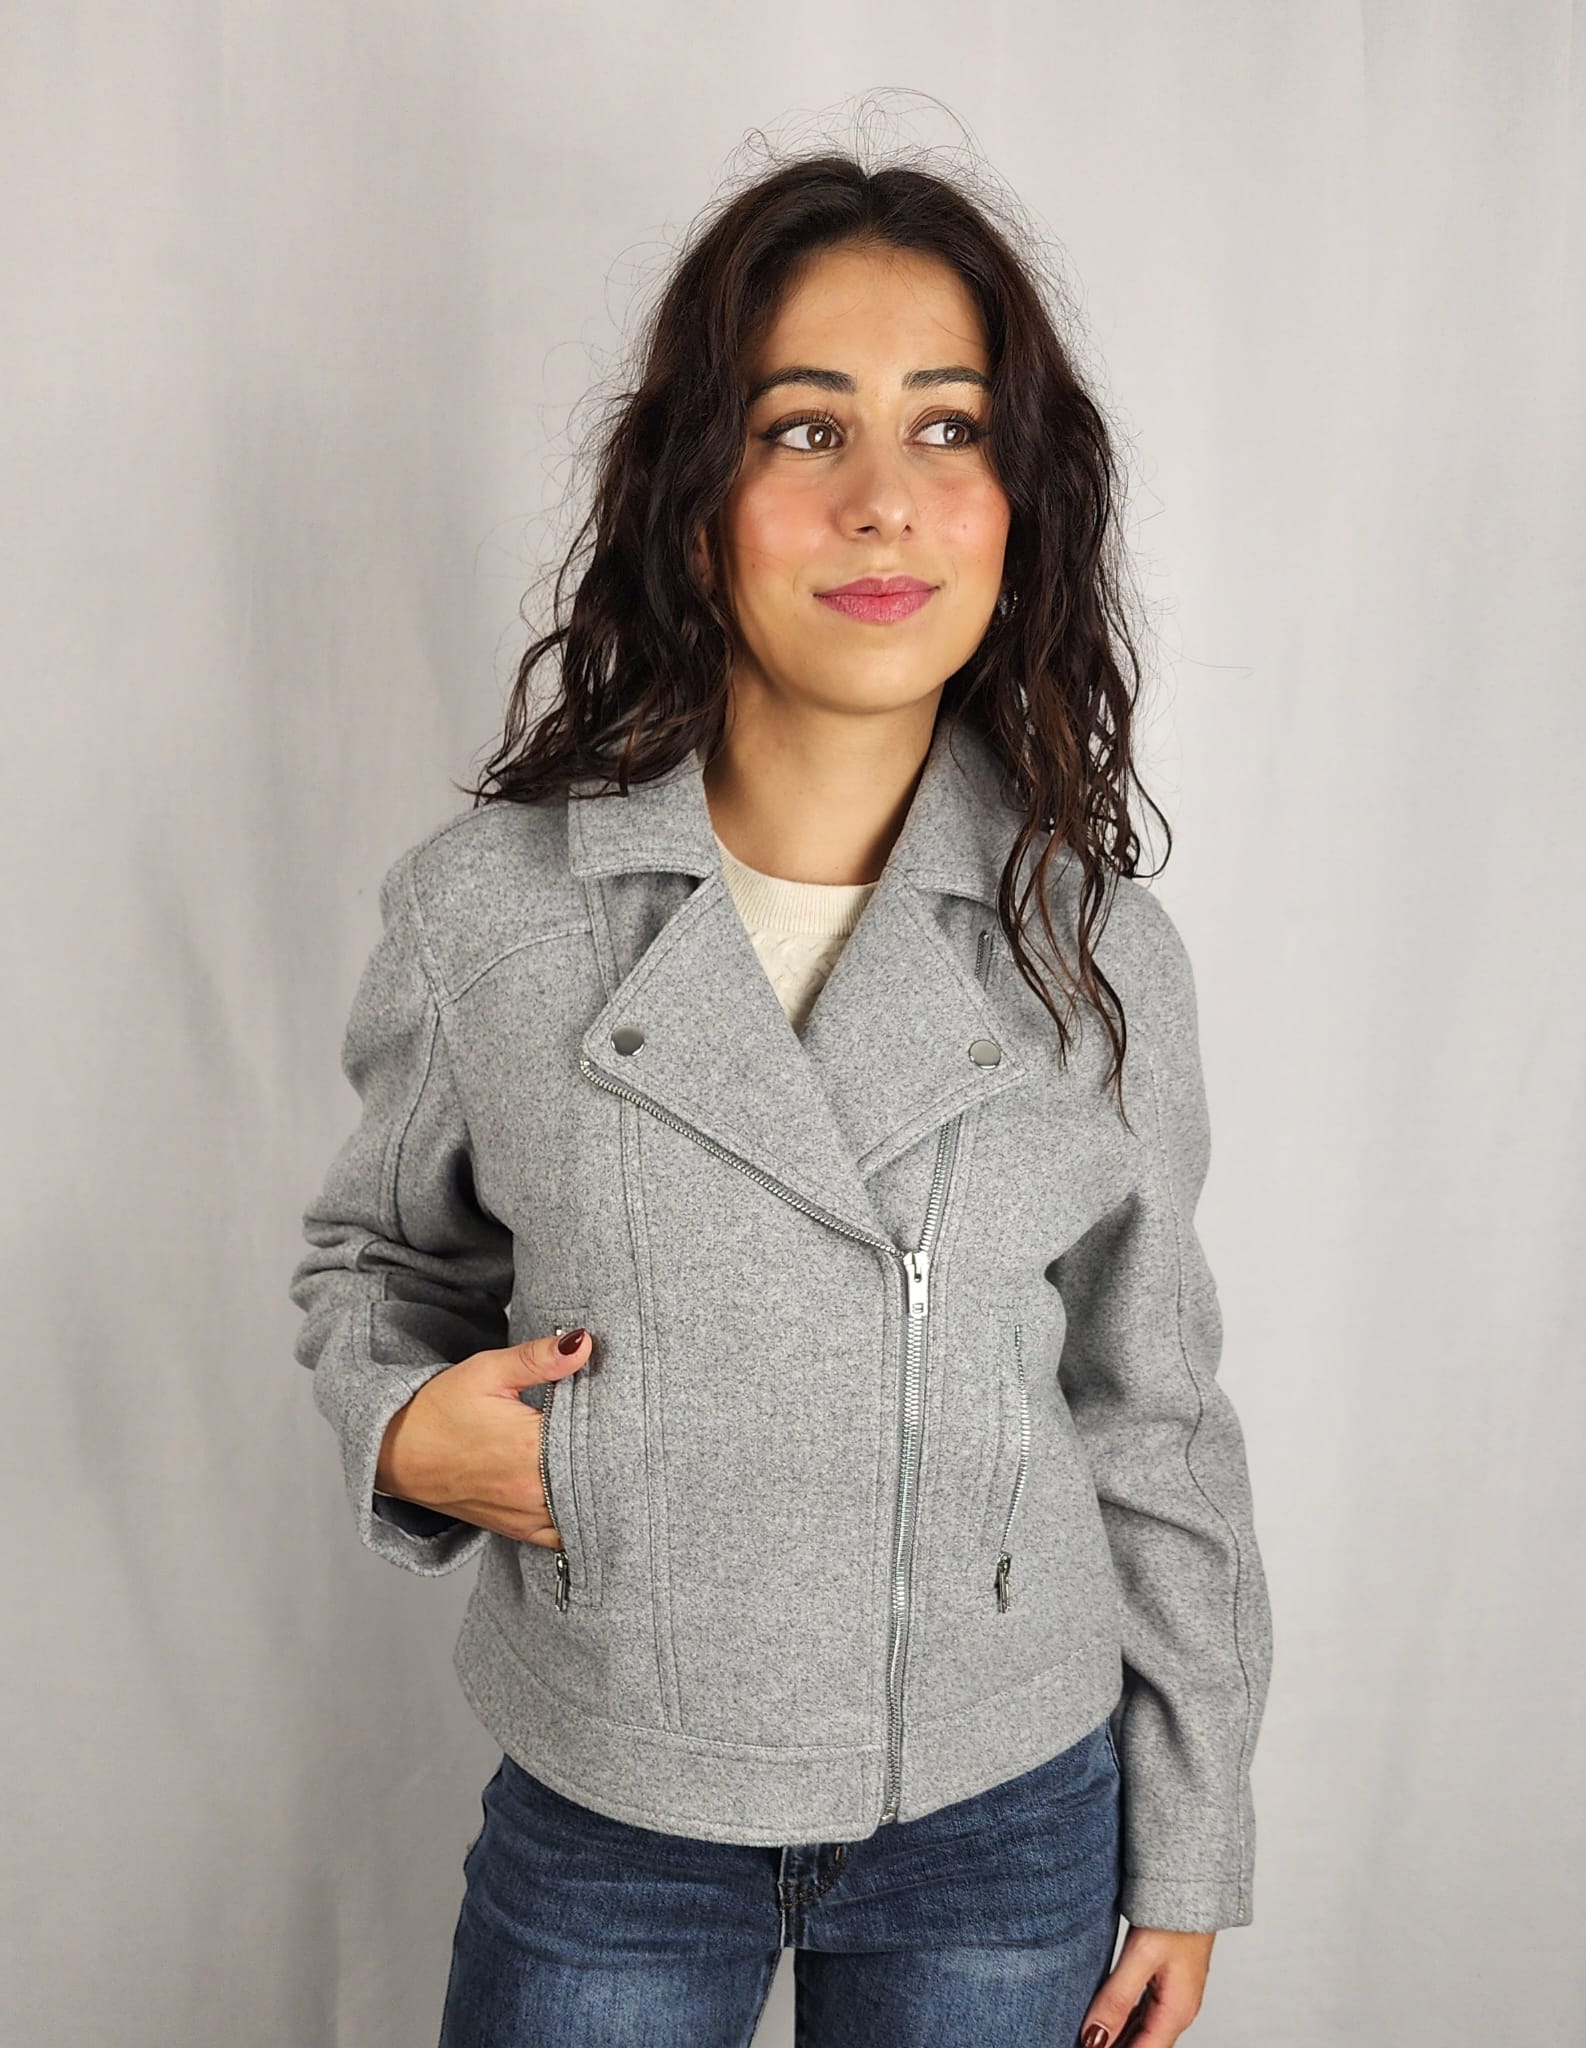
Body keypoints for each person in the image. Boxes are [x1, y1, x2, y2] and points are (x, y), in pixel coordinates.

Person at [288, 149, 1273, 2048]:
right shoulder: (491, 915)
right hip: (616, 1807)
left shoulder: (1090, 951)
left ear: (1019, 509)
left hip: (1006, 1812)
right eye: (804, 428)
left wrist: (1189, 1840)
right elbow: (373, 1268)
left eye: (947, 427)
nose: (882, 498)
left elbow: (1150, 1412)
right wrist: (405, 1430)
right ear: (693, 506)